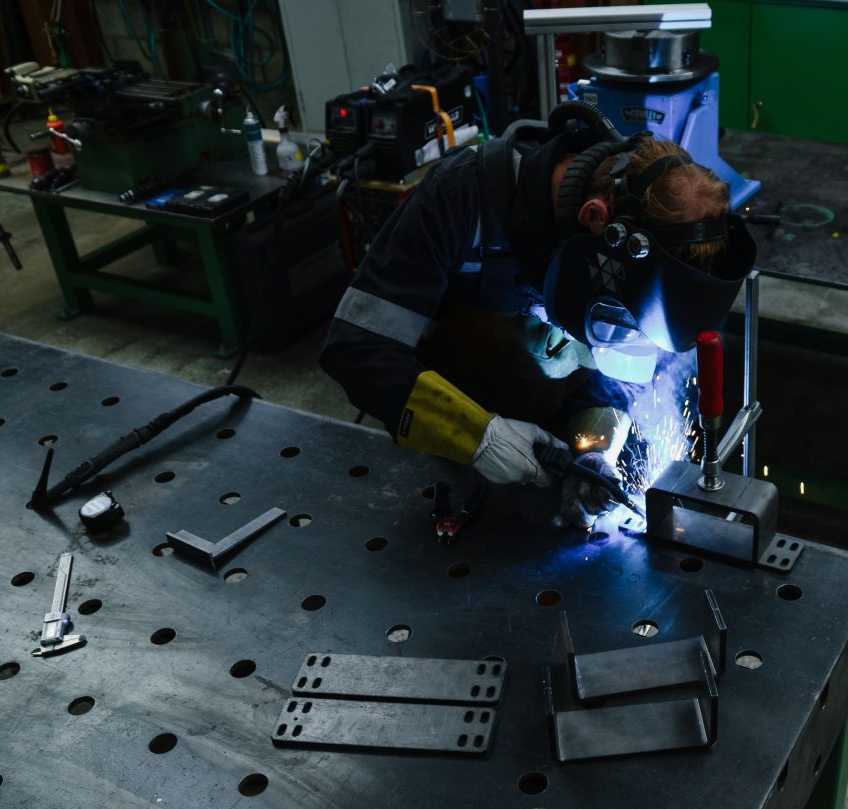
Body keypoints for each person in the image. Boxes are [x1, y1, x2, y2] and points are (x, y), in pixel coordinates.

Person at [319, 102, 756, 525]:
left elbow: (612, 380)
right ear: (594, 217)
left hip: (540, 472)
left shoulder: (632, 267)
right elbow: (356, 351)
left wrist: (593, 448)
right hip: (437, 459)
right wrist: (479, 436)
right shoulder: (461, 198)